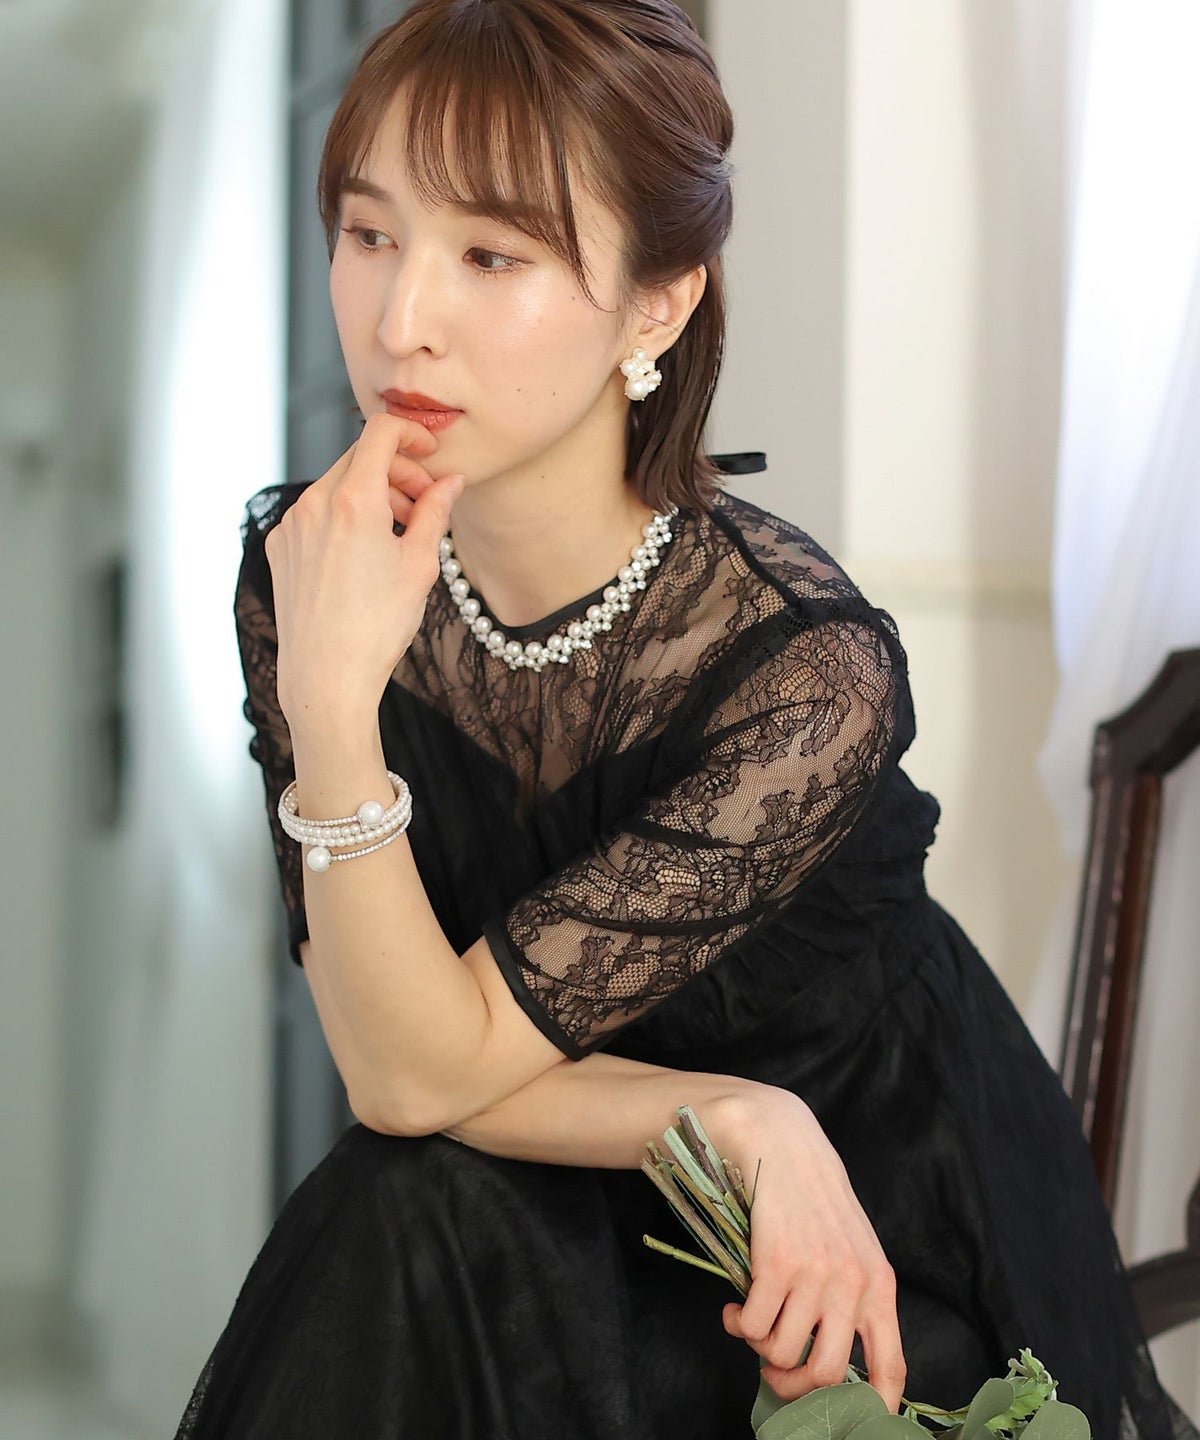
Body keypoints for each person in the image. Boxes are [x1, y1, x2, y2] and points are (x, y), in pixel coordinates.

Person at [173, 2, 1198, 1437]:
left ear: (656, 304)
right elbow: (396, 1068)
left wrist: (775, 1123)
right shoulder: (311, 577)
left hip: (845, 1242)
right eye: (370, 233)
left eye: (492, 255)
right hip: (555, 1189)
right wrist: (721, 1116)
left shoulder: (803, 668)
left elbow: (419, 1069)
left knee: (418, 1207)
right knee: (400, 1205)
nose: (402, 321)